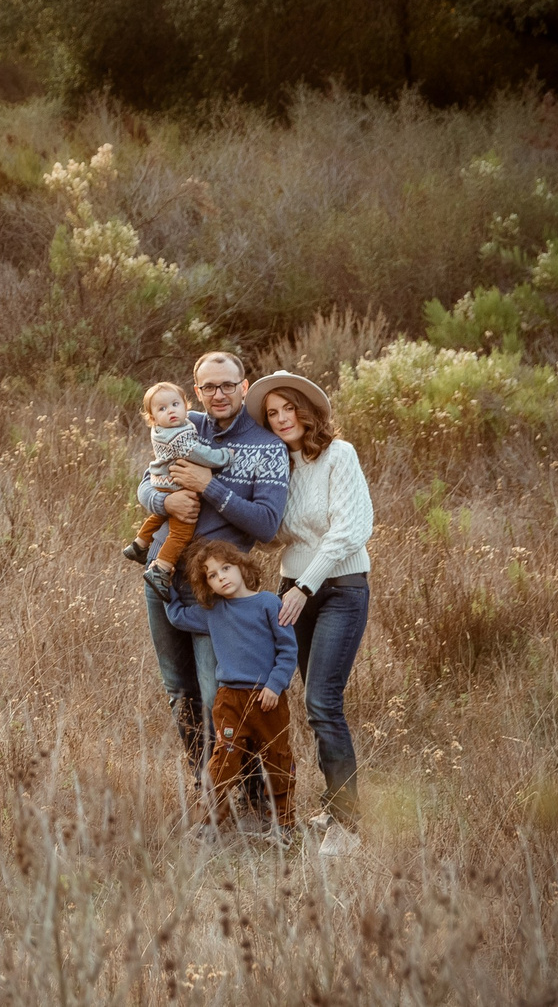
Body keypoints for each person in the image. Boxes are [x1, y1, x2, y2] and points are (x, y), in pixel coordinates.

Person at [138, 352, 289, 791]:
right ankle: (208, 789)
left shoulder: (266, 446)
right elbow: (146, 484)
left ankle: (251, 796)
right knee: (178, 690)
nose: (218, 394)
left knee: (215, 695)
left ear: (245, 387)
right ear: (196, 389)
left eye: (227, 385)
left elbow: (265, 523)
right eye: (209, 387)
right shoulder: (184, 425)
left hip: (216, 589)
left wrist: (210, 486)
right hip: (163, 575)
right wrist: (164, 502)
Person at [251, 370, 374, 858]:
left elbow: (348, 531)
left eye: (289, 409)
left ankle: (348, 824)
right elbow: (273, 533)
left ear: (308, 411)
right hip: (293, 589)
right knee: (309, 703)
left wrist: (305, 584)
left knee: (324, 700)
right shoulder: (281, 466)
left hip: (339, 589)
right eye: (273, 414)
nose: (282, 420)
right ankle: (332, 804)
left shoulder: (339, 455)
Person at [164, 539, 298, 841]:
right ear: (207, 584)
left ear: (241, 566)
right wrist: (166, 585)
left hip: (268, 700)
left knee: (277, 759)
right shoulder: (213, 612)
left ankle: (283, 825)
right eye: (211, 575)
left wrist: (275, 686)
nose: (221, 576)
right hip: (229, 701)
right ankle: (209, 824)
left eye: (225, 568)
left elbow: (288, 651)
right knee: (222, 760)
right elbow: (177, 616)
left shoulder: (268, 603)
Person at [121, 380, 234, 602]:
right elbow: (199, 453)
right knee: (182, 529)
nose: (170, 411)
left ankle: (139, 544)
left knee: (163, 513)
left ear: (185, 405)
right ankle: (160, 569)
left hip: (163, 480)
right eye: (162, 409)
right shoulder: (176, 436)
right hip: (175, 484)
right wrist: (225, 457)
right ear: (152, 418)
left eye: (175, 404)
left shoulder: (168, 428)